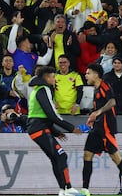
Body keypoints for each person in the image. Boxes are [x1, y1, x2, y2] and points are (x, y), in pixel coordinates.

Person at [80, 63, 122, 196]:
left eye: (88, 73)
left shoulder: (105, 85)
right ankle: (85, 190)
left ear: (96, 74)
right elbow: (99, 109)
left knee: (115, 157)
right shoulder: (96, 89)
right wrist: (93, 117)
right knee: (87, 154)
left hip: (106, 128)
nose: (86, 75)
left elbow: (112, 101)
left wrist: (98, 112)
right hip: (97, 128)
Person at [27, 66, 82, 196]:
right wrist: (71, 127)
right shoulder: (44, 89)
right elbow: (52, 115)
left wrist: (56, 132)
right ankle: (68, 188)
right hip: (39, 129)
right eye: (53, 77)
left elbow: (43, 116)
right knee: (61, 155)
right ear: (46, 77)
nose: (55, 79)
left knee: (55, 158)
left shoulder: (36, 90)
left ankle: (63, 190)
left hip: (36, 129)